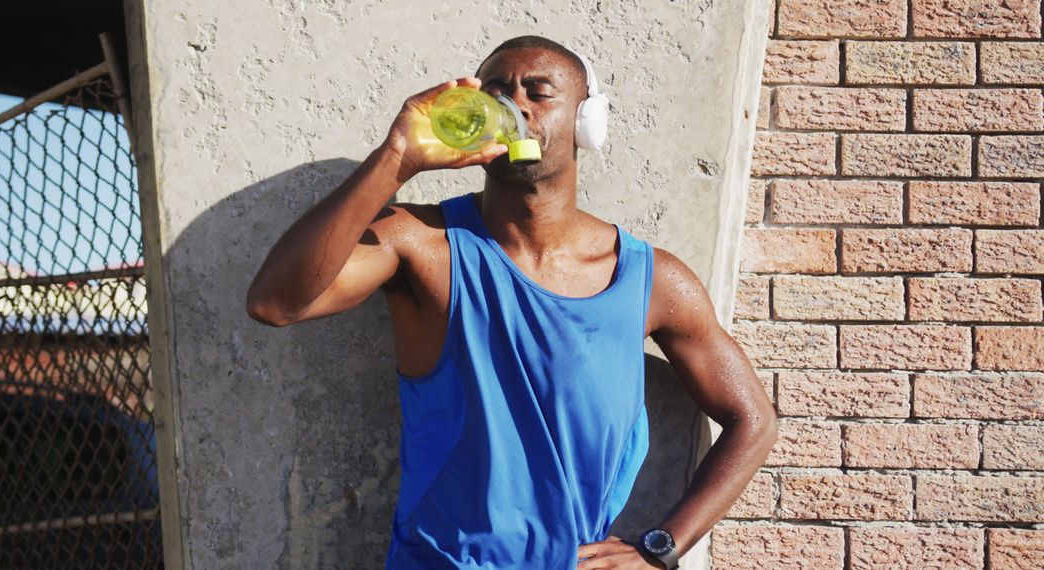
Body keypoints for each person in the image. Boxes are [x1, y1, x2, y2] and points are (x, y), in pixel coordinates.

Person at [246, 35, 777, 570]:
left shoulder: (649, 279)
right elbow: (275, 303)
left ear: (587, 121)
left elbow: (752, 420)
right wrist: (397, 158)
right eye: (497, 90)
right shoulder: (420, 243)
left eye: (539, 92)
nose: (515, 105)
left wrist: (660, 547)